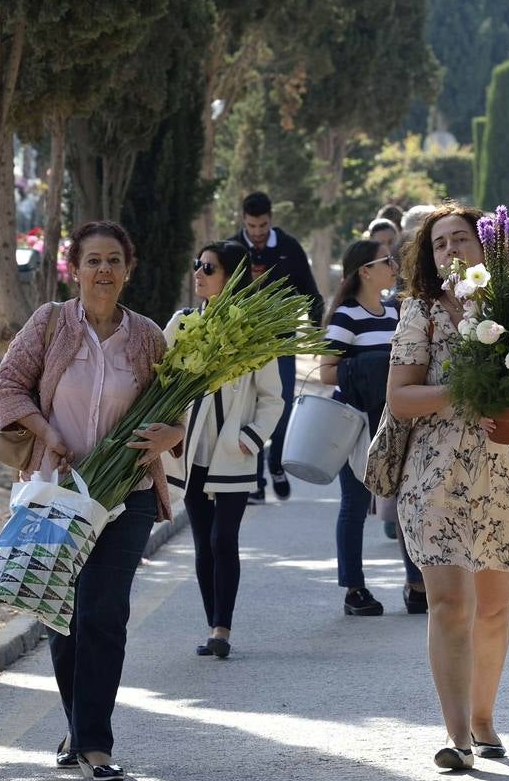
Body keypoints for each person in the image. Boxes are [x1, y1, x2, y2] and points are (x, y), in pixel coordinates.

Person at [0, 221, 185, 781]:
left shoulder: (148, 336)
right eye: (93, 260)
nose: (104, 271)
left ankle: (95, 743)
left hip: (129, 496)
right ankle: (79, 727)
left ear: (129, 269)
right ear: (76, 268)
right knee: (63, 614)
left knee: (104, 613)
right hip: (57, 493)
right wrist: (45, 433)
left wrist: (170, 437)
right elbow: (6, 386)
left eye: (114, 261)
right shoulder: (49, 323)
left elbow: (177, 405)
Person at [388, 204, 509, 771]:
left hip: (507, 473)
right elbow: (400, 398)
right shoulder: (421, 313)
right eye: (438, 244)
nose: (451, 250)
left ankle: (484, 720)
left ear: (486, 248)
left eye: (460, 239)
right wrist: (461, 396)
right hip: (436, 475)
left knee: (494, 610)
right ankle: (456, 737)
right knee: (451, 603)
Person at [165, 241, 283, 661]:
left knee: (223, 538)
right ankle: (212, 623)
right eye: (196, 264)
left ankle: (223, 627)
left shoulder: (253, 332)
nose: (198, 272)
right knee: (201, 541)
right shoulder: (181, 324)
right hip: (191, 451)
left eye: (208, 267)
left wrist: (250, 438)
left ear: (230, 276)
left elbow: (273, 398)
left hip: (233, 453)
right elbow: (160, 384)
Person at [317, 240, 426, 616]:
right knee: (355, 504)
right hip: (359, 421)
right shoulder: (347, 315)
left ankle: (416, 585)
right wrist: (376, 367)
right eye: (386, 261)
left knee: (406, 502)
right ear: (365, 270)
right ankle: (354, 589)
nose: (394, 266)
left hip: (396, 419)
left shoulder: (396, 310)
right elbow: (326, 370)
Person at [232, 191, 324, 503]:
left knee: (280, 404)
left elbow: (309, 291)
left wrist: (315, 326)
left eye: (263, 225)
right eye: (251, 226)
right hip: (244, 344)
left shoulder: (289, 248)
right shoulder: (232, 248)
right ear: (243, 220)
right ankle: (255, 479)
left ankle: (276, 463)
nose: (257, 233)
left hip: (282, 340)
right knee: (250, 407)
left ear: (271, 220)